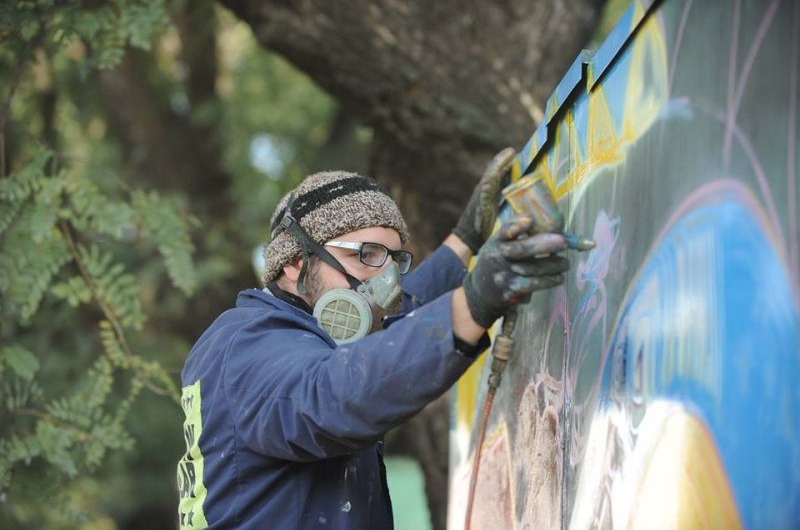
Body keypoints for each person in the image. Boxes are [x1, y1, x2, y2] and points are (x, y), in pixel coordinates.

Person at [176, 155, 575, 529]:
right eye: (366, 255)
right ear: (296, 261)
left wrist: (464, 241)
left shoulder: (292, 334)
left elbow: (396, 327)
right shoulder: (247, 347)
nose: (388, 285)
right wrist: (472, 303)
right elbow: (335, 393)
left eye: (394, 261)